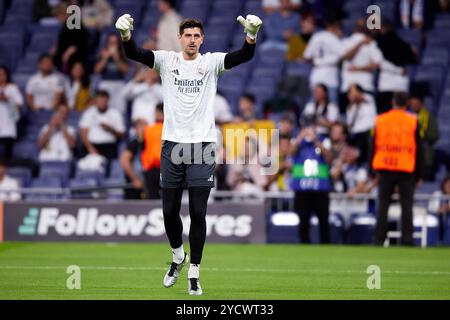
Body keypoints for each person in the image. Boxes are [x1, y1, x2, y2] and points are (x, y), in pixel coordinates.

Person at [116, 13, 262, 295]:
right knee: (169, 211)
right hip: (172, 145)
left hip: (203, 145)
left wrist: (251, 35)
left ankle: (194, 271)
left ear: (202, 39)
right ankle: (177, 255)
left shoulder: (210, 63)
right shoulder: (167, 61)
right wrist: (125, 36)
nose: (192, 40)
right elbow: (134, 52)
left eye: (197, 36)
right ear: (180, 39)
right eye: (188, 36)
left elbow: (244, 55)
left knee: (198, 211)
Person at [370, 92, 424, 246]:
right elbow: (418, 148)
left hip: (385, 166)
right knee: (406, 205)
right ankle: (407, 240)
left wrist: (371, 171)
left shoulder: (381, 119)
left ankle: (379, 239)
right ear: (406, 103)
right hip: (406, 167)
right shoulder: (413, 120)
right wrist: (419, 174)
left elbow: (372, 145)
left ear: (393, 102)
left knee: (383, 205)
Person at [289, 115, 333, 244]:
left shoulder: (323, 141)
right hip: (302, 188)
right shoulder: (297, 141)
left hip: (320, 188)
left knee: (323, 220)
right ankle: (304, 245)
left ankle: (326, 246)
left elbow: (330, 158)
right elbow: (290, 152)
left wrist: (316, 141)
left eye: (311, 125)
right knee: (303, 220)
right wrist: (300, 138)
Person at [120, 103, 164, 200]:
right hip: (167, 173)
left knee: (153, 205)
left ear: (156, 113)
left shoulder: (146, 131)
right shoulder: (175, 131)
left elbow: (124, 159)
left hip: (151, 174)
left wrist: (134, 179)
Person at [339, 20, 382, 113]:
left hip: (364, 87)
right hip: (349, 86)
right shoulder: (347, 42)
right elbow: (345, 56)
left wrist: (358, 68)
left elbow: (377, 64)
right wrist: (360, 43)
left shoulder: (371, 43)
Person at [375, 19, 417, 114]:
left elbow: (379, 63)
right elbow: (413, 59)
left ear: (384, 28)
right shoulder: (405, 45)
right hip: (400, 84)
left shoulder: (378, 44)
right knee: (401, 115)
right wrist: (399, 70)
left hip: (387, 85)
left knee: (387, 115)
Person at [303, 16, 343, 104]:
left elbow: (306, 56)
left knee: (313, 105)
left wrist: (317, 61)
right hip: (330, 76)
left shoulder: (317, 36)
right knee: (332, 106)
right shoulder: (334, 38)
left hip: (316, 75)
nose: (341, 32)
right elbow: (342, 55)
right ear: (334, 27)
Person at [79, 90, 125, 162]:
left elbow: (121, 134)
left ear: (108, 101)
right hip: (91, 144)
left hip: (108, 146)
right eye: (100, 101)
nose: (102, 103)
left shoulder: (115, 113)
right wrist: (90, 148)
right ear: (96, 101)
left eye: (104, 101)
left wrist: (110, 129)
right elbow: (83, 133)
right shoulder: (89, 113)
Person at [409, 91, 439, 181]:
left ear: (421, 104)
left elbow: (435, 136)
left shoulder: (429, 117)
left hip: (424, 156)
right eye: (412, 104)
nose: (414, 106)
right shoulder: (406, 116)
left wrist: (420, 128)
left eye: (416, 103)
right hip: (409, 155)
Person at [345, 84, 377, 163]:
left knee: (371, 137)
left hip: (370, 131)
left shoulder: (369, 99)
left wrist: (356, 95)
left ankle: (370, 168)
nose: (350, 95)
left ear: (359, 92)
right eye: (349, 93)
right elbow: (350, 125)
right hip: (356, 135)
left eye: (352, 92)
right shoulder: (350, 107)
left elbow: (360, 98)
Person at [0, 65, 24, 160]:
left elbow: (19, 104)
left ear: (7, 75)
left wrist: (7, 99)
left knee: (7, 156)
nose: (0, 77)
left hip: (8, 126)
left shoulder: (12, 88)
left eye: (2, 74)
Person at [428, 176, 450, 243]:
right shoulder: (437, 194)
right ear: (444, 185)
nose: (449, 186)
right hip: (437, 215)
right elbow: (430, 208)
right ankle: (438, 241)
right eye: (448, 184)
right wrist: (439, 210)